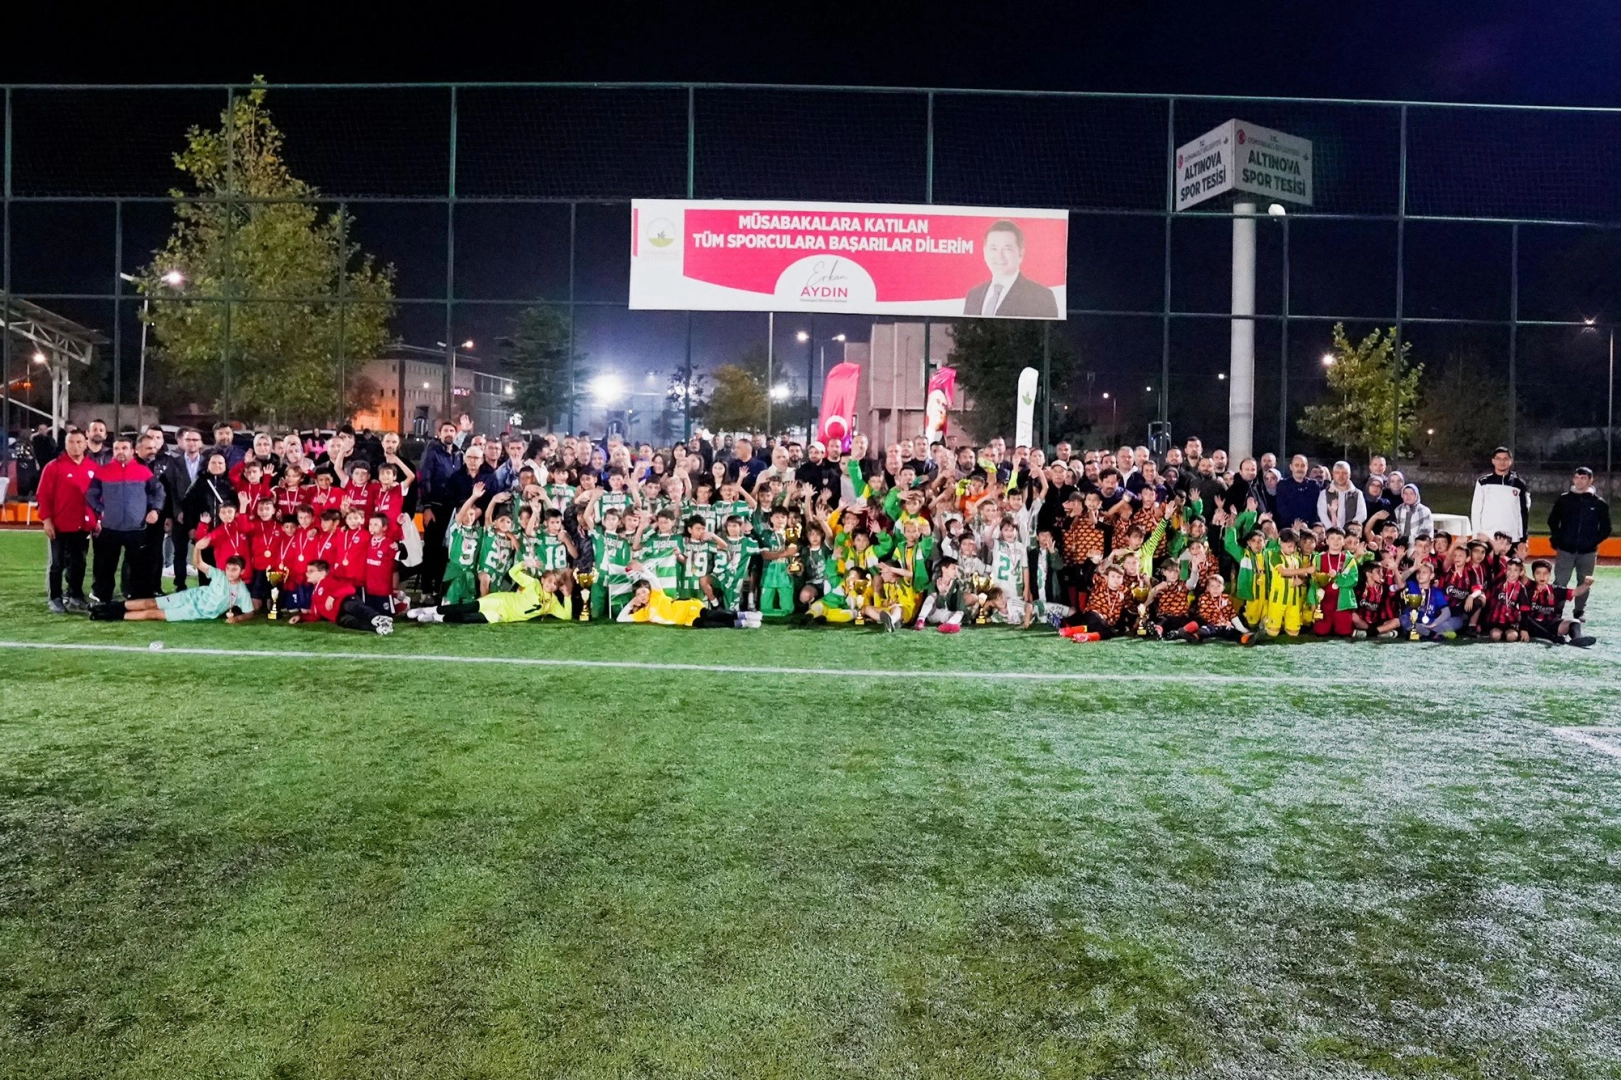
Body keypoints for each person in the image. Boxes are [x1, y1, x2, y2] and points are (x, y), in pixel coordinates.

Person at [85, 435, 165, 603]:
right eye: (117, 448)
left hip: (137, 528)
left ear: (132, 450)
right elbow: (91, 495)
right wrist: (101, 510)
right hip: (110, 528)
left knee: (137, 567)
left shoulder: (144, 471)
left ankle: (135, 598)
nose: (120, 452)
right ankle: (102, 598)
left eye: (124, 448)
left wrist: (155, 510)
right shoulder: (102, 471)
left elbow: (159, 492)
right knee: (106, 566)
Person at [89, 554, 257, 623]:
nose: (230, 572)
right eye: (228, 568)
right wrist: (198, 547)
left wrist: (237, 619)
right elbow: (198, 563)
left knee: (152, 614)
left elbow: (250, 612)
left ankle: (107, 616)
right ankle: (104, 607)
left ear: (242, 572)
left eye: (234, 570)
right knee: (150, 603)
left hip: (195, 612)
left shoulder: (242, 591)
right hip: (189, 597)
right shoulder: (219, 574)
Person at [37, 428, 95, 613]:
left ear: (85, 444)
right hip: (60, 525)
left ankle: (75, 595)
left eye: (79, 442)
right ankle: (55, 597)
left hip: (83, 525)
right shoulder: (54, 467)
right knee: (57, 564)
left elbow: (99, 497)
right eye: (71, 442)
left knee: (79, 562)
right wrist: (47, 520)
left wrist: (97, 520)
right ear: (65, 444)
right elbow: (43, 495)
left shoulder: (93, 467)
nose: (75, 446)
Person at [1547, 466, 1611, 622]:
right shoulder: (1564, 499)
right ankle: (1556, 611)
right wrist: (1558, 539)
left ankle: (1579, 611)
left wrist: (1592, 542)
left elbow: (1606, 528)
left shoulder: (1599, 503)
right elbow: (1552, 521)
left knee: (1584, 582)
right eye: (1577, 477)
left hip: (1588, 552)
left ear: (1591, 480)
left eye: (1583, 478)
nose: (1579, 481)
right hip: (1565, 550)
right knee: (1560, 582)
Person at [961, 220, 1059, 318]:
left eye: (1007, 249)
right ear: (985, 252)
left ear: (1020, 254)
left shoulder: (1041, 297)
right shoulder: (973, 295)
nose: (999, 256)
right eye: (993, 248)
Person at [288, 558, 394, 634]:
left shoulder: (328, 581)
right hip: (338, 615)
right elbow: (316, 615)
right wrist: (300, 617)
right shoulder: (314, 593)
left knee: (350, 606)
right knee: (348, 622)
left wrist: (333, 596)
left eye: (311, 571)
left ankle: (377, 618)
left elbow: (350, 588)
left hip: (345, 602)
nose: (307, 574)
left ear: (322, 573)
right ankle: (378, 628)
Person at [1471, 446, 1531, 541]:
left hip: (1512, 537)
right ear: (1493, 461)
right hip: (1487, 537)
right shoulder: (1483, 482)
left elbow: (1523, 512)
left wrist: (1523, 539)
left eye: (1505, 459)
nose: (1502, 462)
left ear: (1510, 461)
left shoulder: (1519, 484)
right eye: (1498, 459)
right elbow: (1476, 510)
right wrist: (1476, 535)